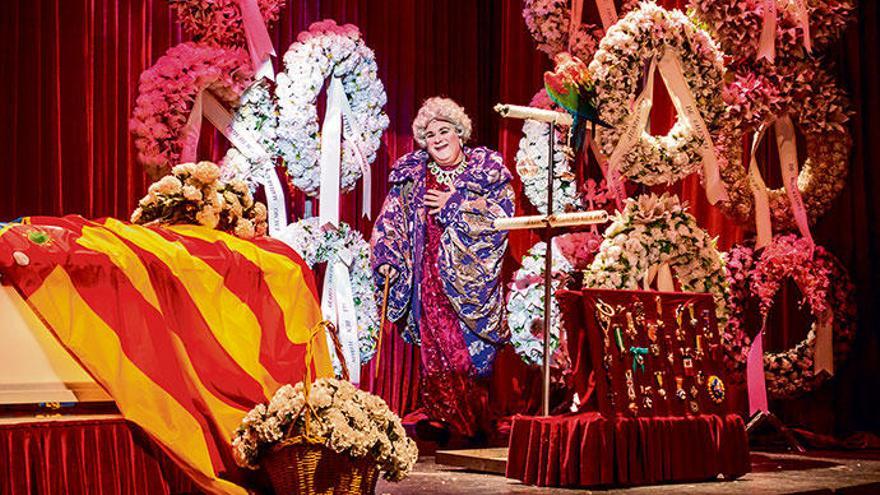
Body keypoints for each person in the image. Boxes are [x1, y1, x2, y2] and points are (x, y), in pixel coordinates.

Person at [371, 97, 514, 439]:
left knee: (473, 356)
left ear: (460, 133)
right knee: (437, 351)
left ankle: (474, 418)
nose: (437, 138)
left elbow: (504, 214)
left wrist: (455, 204)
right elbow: (390, 218)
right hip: (430, 277)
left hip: (472, 277)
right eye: (429, 133)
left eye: (444, 130)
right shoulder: (413, 175)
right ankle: (443, 417)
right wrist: (388, 255)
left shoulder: (485, 169)